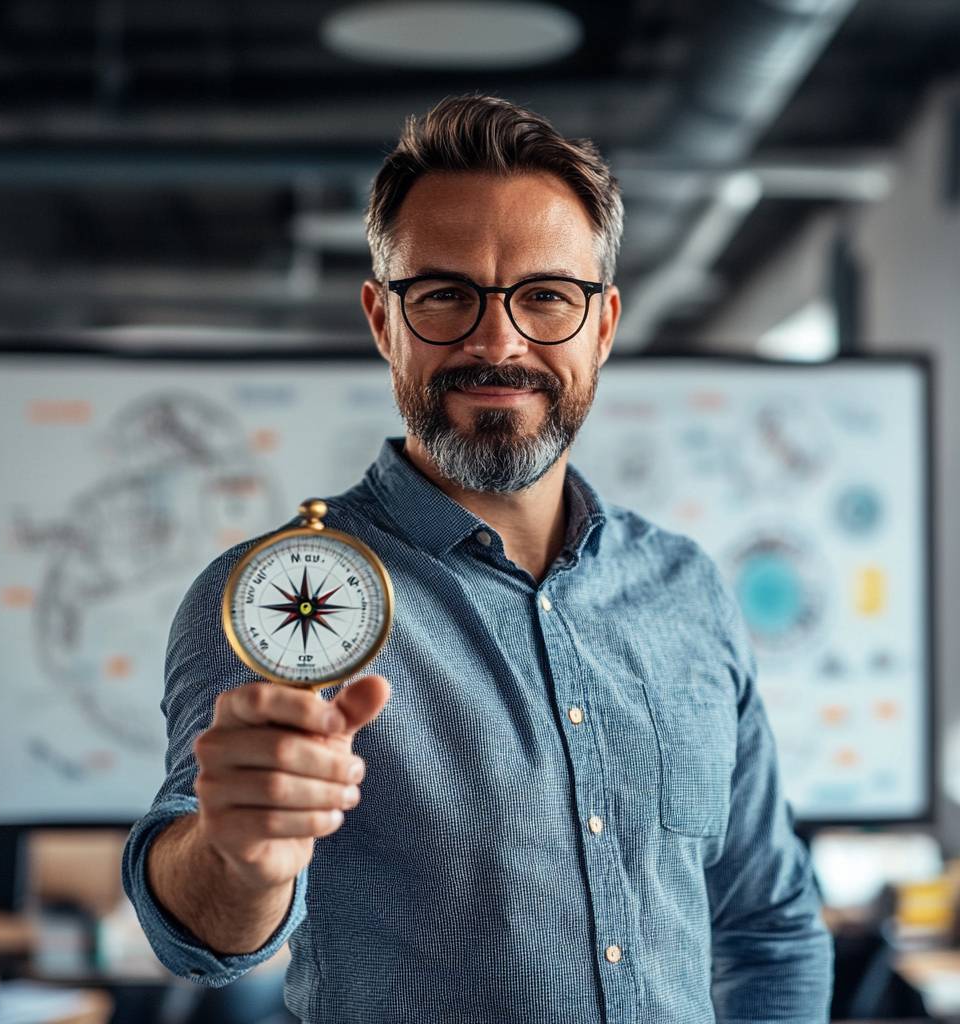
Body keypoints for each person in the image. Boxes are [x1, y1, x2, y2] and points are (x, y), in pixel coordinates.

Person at [122, 94, 834, 1023]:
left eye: (545, 295)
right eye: (445, 295)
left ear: (605, 326)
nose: (497, 342)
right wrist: (235, 850)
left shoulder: (687, 590)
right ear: (383, 321)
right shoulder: (288, 596)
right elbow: (198, 927)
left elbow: (768, 924)